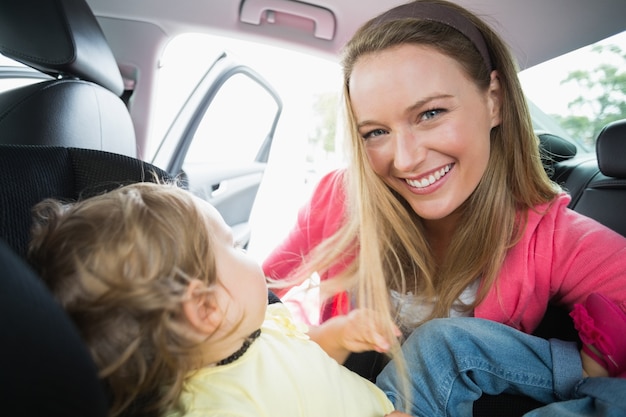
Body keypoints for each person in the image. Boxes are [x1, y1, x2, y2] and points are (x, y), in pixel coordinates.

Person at [261, 0, 626, 414]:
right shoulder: (339, 198)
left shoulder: (553, 237)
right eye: (376, 131)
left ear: (494, 100)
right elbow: (253, 297)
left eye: (430, 113)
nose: (404, 159)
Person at [27, 181, 403, 417]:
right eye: (236, 246)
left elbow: (309, 360)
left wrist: (338, 336)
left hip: (385, 403)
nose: (249, 254)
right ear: (206, 308)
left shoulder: (259, 328)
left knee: (441, 341)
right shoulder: (219, 406)